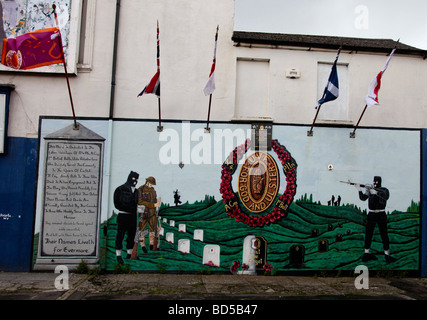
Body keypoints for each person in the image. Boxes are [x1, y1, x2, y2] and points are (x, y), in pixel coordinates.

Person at [356, 176, 397, 264]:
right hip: (371, 214)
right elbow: (363, 198)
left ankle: (387, 255)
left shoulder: (384, 190)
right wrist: (359, 189)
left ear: (380, 182)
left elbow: (385, 197)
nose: (375, 183)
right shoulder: (370, 190)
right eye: (374, 182)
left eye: (376, 182)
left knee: (384, 235)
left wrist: (376, 193)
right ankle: (366, 254)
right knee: (368, 234)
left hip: (381, 214)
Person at [113, 171, 139, 264]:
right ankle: (118, 255)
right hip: (123, 215)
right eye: (133, 179)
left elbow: (136, 203)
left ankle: (129, 254)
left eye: (136, 179)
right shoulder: (120, 189)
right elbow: (117, 204)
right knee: (120, 235)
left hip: (132, 216)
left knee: (131, 235)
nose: (135, 181)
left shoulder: (136, 191)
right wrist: (128, 208)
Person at [136, 176, 161, 254]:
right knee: (142, 230)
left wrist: (157, 201)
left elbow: (153, 200)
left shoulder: (153, 190)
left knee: (152, 230)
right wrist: (152, 205)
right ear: (147, 182)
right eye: (151, 184)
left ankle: (151, 245)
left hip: (152, 213)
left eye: (152, 184)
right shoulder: (140, 190)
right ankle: (143, 246)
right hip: (144, 213)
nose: (151, 185)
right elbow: (139, 201)